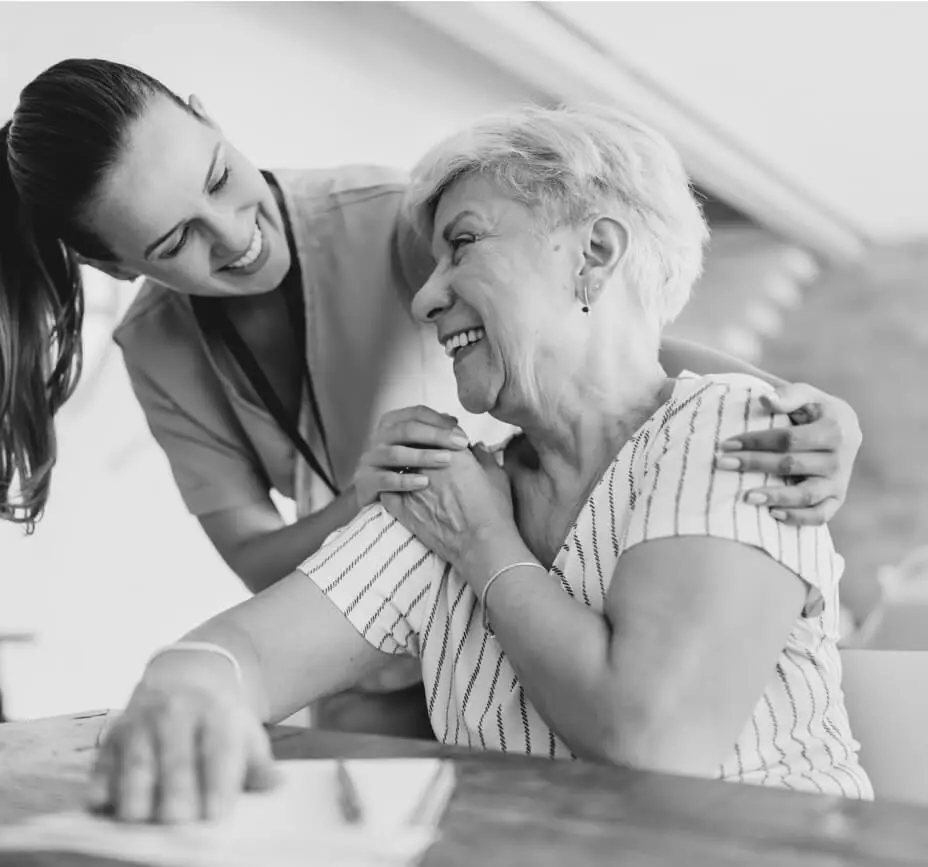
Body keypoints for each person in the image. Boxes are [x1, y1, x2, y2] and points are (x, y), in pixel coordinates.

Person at [2, 58, 861, 738]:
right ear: (119, 268)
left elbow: (578, 337)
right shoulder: (159, 348)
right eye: (176, 238)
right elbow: (253, 586)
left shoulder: (389, 219)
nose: (233, 236)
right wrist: (370, 504)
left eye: (220, 178)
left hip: (485, 581)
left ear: (211, 120)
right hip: (381, 633)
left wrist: (779, 401)